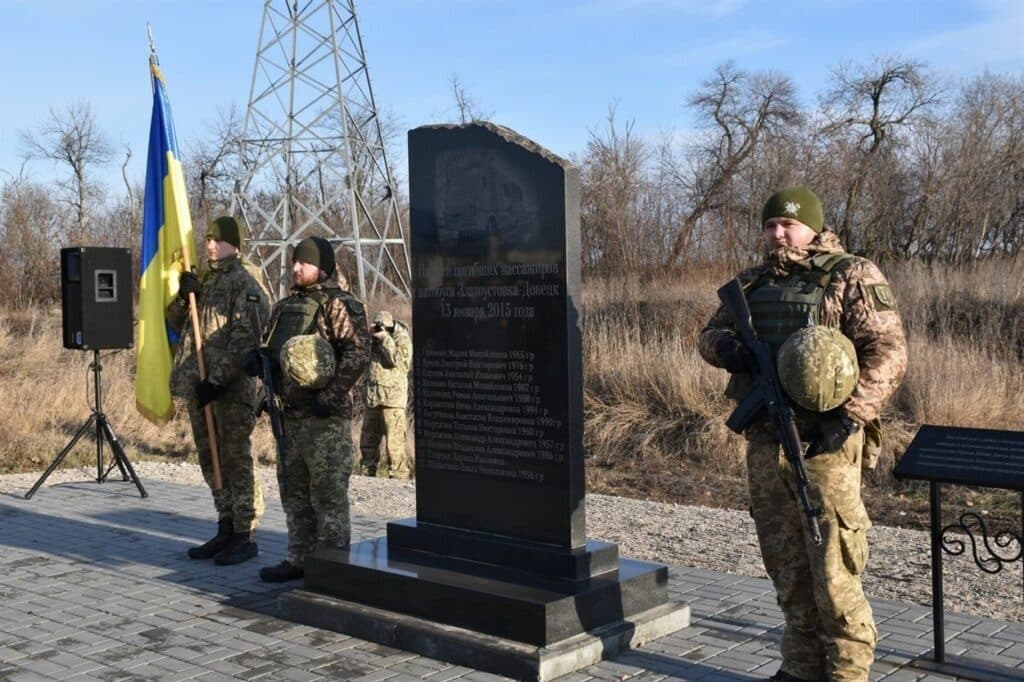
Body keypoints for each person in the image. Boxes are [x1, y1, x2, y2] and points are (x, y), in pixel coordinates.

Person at [698, 187, 907, 682]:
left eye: (788, 225)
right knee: (787, 567)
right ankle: (798, 669)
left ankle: (847, 674)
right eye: (770, 225)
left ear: (812, 226)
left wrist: (851, 416)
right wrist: (728, 348)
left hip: (825, 444)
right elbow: (707, 336)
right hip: (767, 443)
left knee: (835, 571)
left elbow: (889, 350)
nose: (778, 234)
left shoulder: (850, 273)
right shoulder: (750, 284)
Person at [256, 236, 370, 583]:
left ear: (322, 267)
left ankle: (333, 567)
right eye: (294, 262)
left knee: (328, 494)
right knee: (294, 493)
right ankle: (300, 558)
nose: (295, 267)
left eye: (303, 262)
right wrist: (262, 376)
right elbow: (273, 351)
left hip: (325, 421)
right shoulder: (284, 307)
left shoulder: (340, 305)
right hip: (289, 418)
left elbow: (357, 353)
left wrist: (331, 396)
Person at [168, 215, 270, 566]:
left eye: (217, 240)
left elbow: (246, 337)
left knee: (235, 458)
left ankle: (245, 533)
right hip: (202, 386)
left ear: (235, 244)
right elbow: (178, 323)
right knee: (210, 459)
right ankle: (225, 524)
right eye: (208, 239)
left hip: (230, 388)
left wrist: (217, 380)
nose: (210, 245)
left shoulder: (246, 282)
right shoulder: (207, 280)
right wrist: (185, 297)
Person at [359, 310, 412, 479]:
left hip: (392, 400)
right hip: (373, 399)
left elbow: (399, 362)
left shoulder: (400, 338)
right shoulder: (371, 341)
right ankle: (367, 476)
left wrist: (385, 339)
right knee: (367, 443)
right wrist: (368, 337)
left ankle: (398, 478)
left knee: (394, 446)